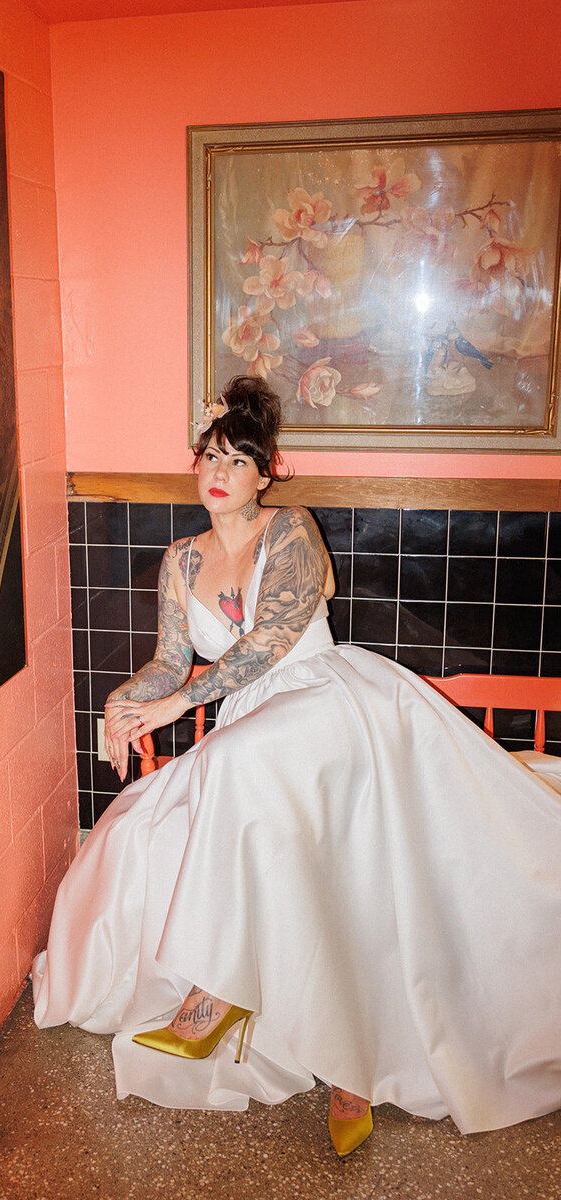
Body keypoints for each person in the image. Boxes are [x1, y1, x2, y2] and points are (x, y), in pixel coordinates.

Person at [32, 376, 561, 1157]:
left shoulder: (291, 530)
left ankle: (239, 1005)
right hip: (254, 727)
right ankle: (305, 1026)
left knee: (243, 766)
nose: (221, 472)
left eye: (239, 460)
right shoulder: (179, 561)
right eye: (210, 456)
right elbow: (168, 661)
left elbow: (268, 644)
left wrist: (178, 707)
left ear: (267, 471)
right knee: (158, 814)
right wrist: (125, 697)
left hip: (329, 701)